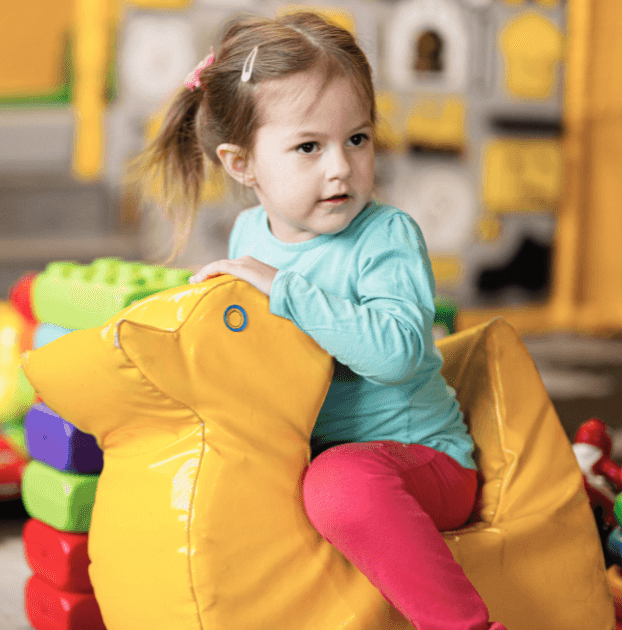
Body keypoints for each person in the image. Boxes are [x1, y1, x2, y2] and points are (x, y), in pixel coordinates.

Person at [137, 12, 506, 630]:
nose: (340, 167)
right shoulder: (250, 233)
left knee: (340, 484)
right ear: (241, 164)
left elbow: (398, 355)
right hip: (306, 455)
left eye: (357, 140)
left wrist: (286, 289)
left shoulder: (385, 235)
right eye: (309, 147)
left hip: (418, 460)